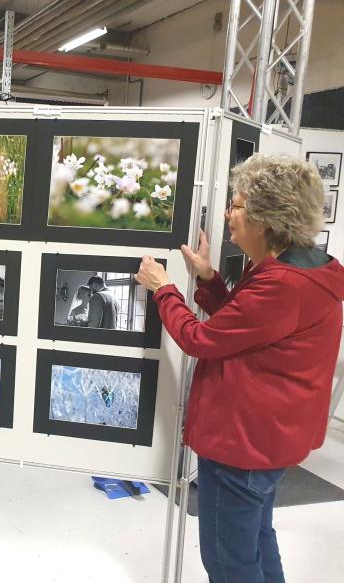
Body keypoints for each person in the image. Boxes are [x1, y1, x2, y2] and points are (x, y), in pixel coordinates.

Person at [136, 155, 344, 583]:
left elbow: (201, 339)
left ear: (266, 219)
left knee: (229, 562)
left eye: (237, 205)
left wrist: (163, 289)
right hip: (269, 439)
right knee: (256, 539)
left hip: (243, 446)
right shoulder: (300, 269)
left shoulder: (282, 284)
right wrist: (209, 279)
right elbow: (246, 326)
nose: (229, 214)